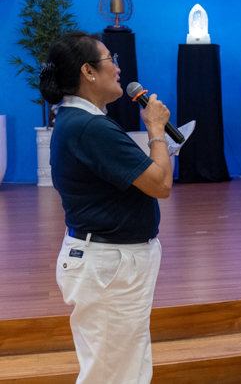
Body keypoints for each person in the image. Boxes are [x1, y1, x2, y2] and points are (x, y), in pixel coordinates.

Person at [40, 31, 174, 383]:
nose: (118, 68)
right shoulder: (90, 127)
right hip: (109, 265)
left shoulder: (77, 120)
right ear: (88, 71)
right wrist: (156, 130)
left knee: (123, 366)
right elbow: (160, 184)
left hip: (107, 263)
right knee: (114, 372)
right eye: (110, 60)